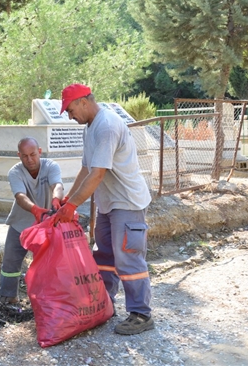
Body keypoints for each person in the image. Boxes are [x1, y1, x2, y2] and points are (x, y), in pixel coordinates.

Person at [54, 83, 154, 335]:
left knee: (127, 258)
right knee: (106, 256)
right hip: (109, 204)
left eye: (70, 109)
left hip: (127, 203)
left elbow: (98, 174)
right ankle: (105, 303)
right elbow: (86, 169)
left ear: (84, 102)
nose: (69, 115)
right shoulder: (90, 128)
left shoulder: (106, 126)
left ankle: (141, 314)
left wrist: (73, 205)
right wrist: (67, 200)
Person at [0, 137, 64, 304]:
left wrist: (56, 199)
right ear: (19, 155)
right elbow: (20, 196)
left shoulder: (51, 166)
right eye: (25, 156)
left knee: (47, 264)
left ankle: (46, 299)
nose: (30, 159)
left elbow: (58, 186)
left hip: (45, 226)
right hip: (21, 225)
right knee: (10, 262)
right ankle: (8, 297)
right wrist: (35, 210)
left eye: (33, 154)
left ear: (39, 152)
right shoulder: (15, 172)